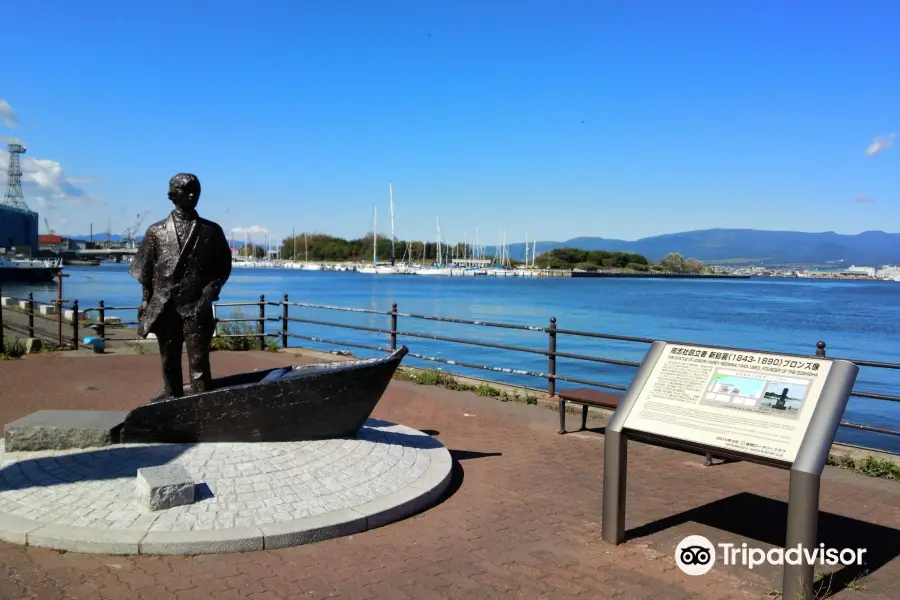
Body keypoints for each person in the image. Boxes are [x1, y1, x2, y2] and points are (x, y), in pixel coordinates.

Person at [130, 173, 232, 397]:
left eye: (196, 190)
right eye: (186, 190)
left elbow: (223, 267)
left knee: (199, 365)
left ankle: (201, 412)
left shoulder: (211, 231)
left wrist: (211, 292)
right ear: (173, 195)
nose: (193, 194)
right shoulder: (155, 232)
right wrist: (145, 300)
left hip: (196, 306)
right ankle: (171, 409)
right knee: (169, 363)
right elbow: (144, 271)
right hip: (165, 307)